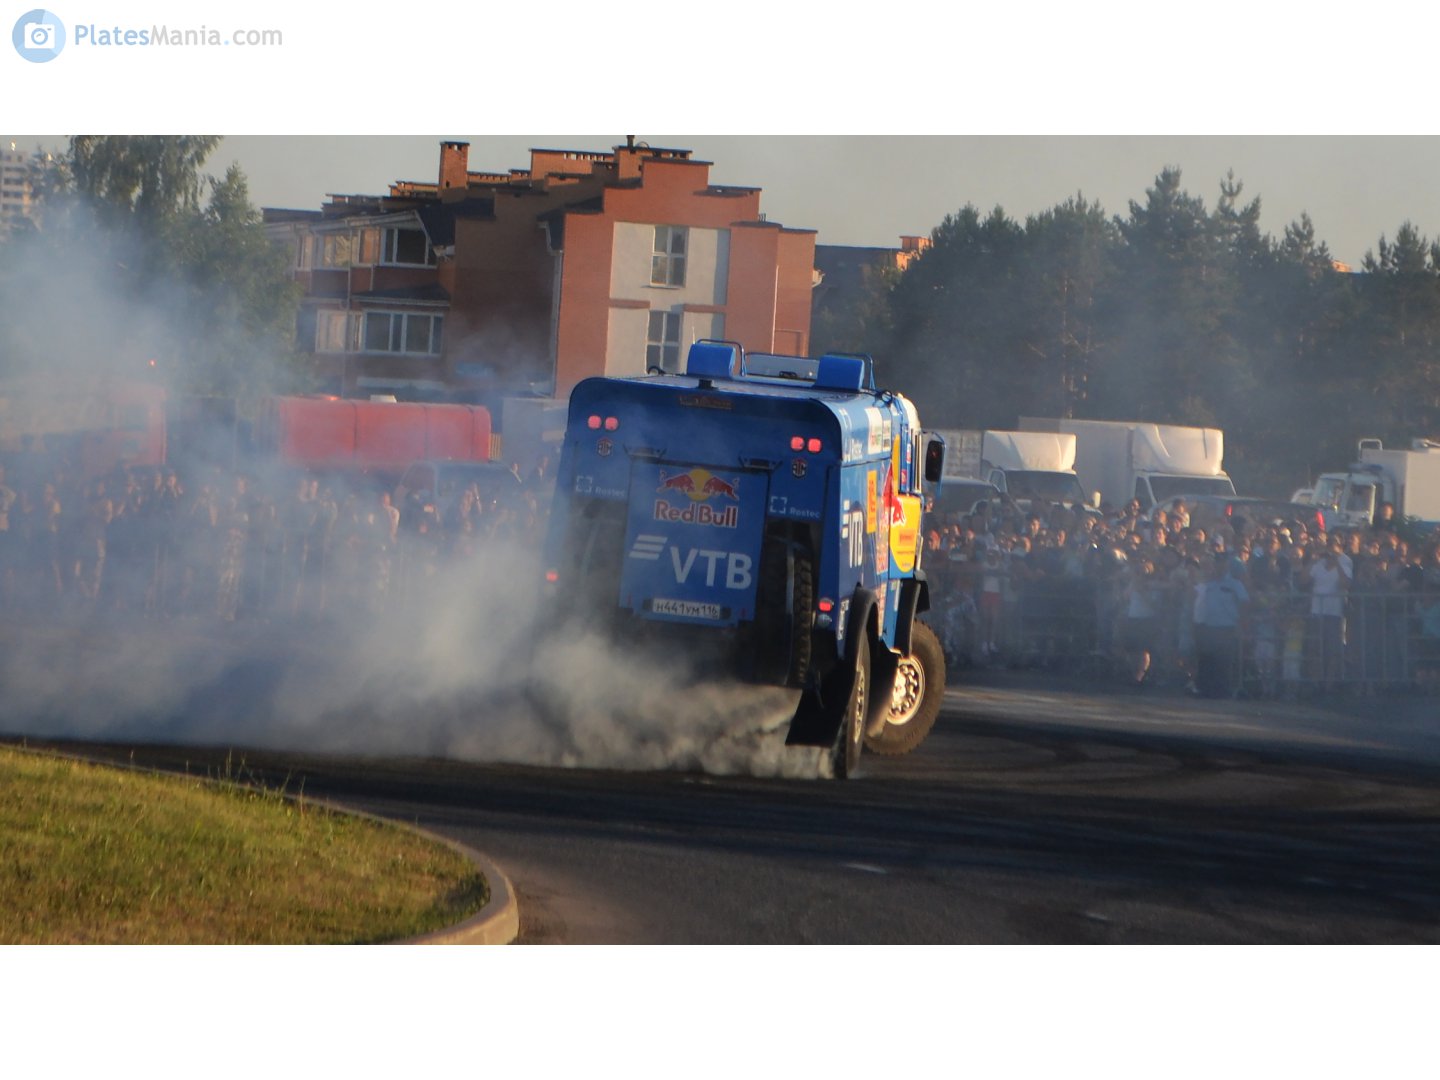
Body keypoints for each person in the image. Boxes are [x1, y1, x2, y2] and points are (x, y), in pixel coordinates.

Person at [1194, 554, 1249, 698]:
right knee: (1208, 659)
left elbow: (1244, 603)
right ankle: (1206, 690)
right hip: (1209, 625)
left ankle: (1223, 691)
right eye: (1218, 563)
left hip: (1227, 626)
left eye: (1223, 564)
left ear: (1227, 566)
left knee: (1224, 660)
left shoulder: (1235, 584)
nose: (1220, 566)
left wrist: (1241, 625)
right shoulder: (1208, 583)